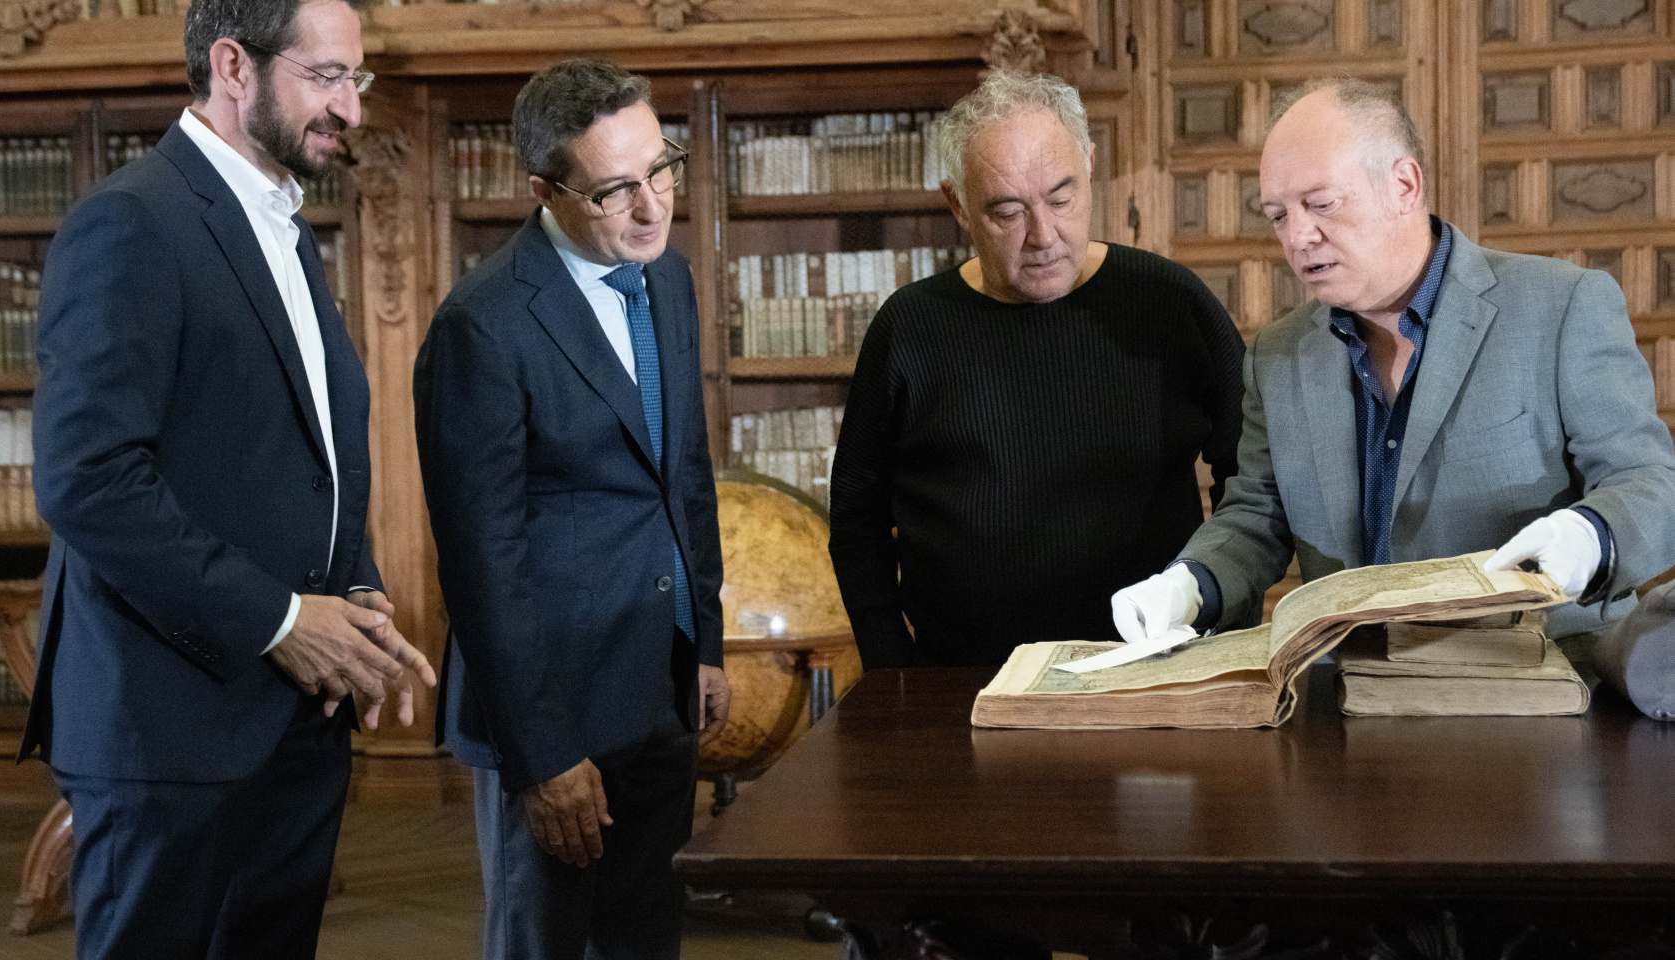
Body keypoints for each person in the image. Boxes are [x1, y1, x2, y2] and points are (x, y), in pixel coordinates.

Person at [26, 1, 436, 957]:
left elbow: (300, 453)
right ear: (233, 66)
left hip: (293, 721)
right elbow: (88, 481)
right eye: (327, 77)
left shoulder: (285, 230)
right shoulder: (129, 223)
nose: (353, 110)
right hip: (167, 729)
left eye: (356, 80)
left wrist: (356, 587)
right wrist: (286, 621)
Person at [1112, 79, 1675, 671]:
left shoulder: (1562, 308)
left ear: (1404, 186)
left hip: (1538, 687)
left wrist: (1593, 534)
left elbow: (1651, 482)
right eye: (1278, 215)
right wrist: (1192, 584)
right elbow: (1257, 516)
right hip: (1352, 700)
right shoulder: (1277, 355)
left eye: (1322, 203)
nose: (1298, 236)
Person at [414, 58, 730, 960]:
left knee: (644, 943)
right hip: (554, 717)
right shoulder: (482, 326)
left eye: (661, 169)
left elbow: (687, 473)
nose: (652, 206)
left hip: (659, 689)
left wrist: (701, 642)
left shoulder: (665, 279)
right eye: (616, 190)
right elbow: (482, 564)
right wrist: (543, 753)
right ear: (545, 191)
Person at [828, 69, 1245, 671]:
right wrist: (892, 668)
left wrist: (1224, 627)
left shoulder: (1170, 303)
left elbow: (1252, 486)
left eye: (1061, 197)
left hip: (1154, 672)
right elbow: (857, 520)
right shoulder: (910, 328)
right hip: (960, 684)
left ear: (1092, 167)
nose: (1044, 236)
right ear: (959, 205)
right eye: (1008, 211)